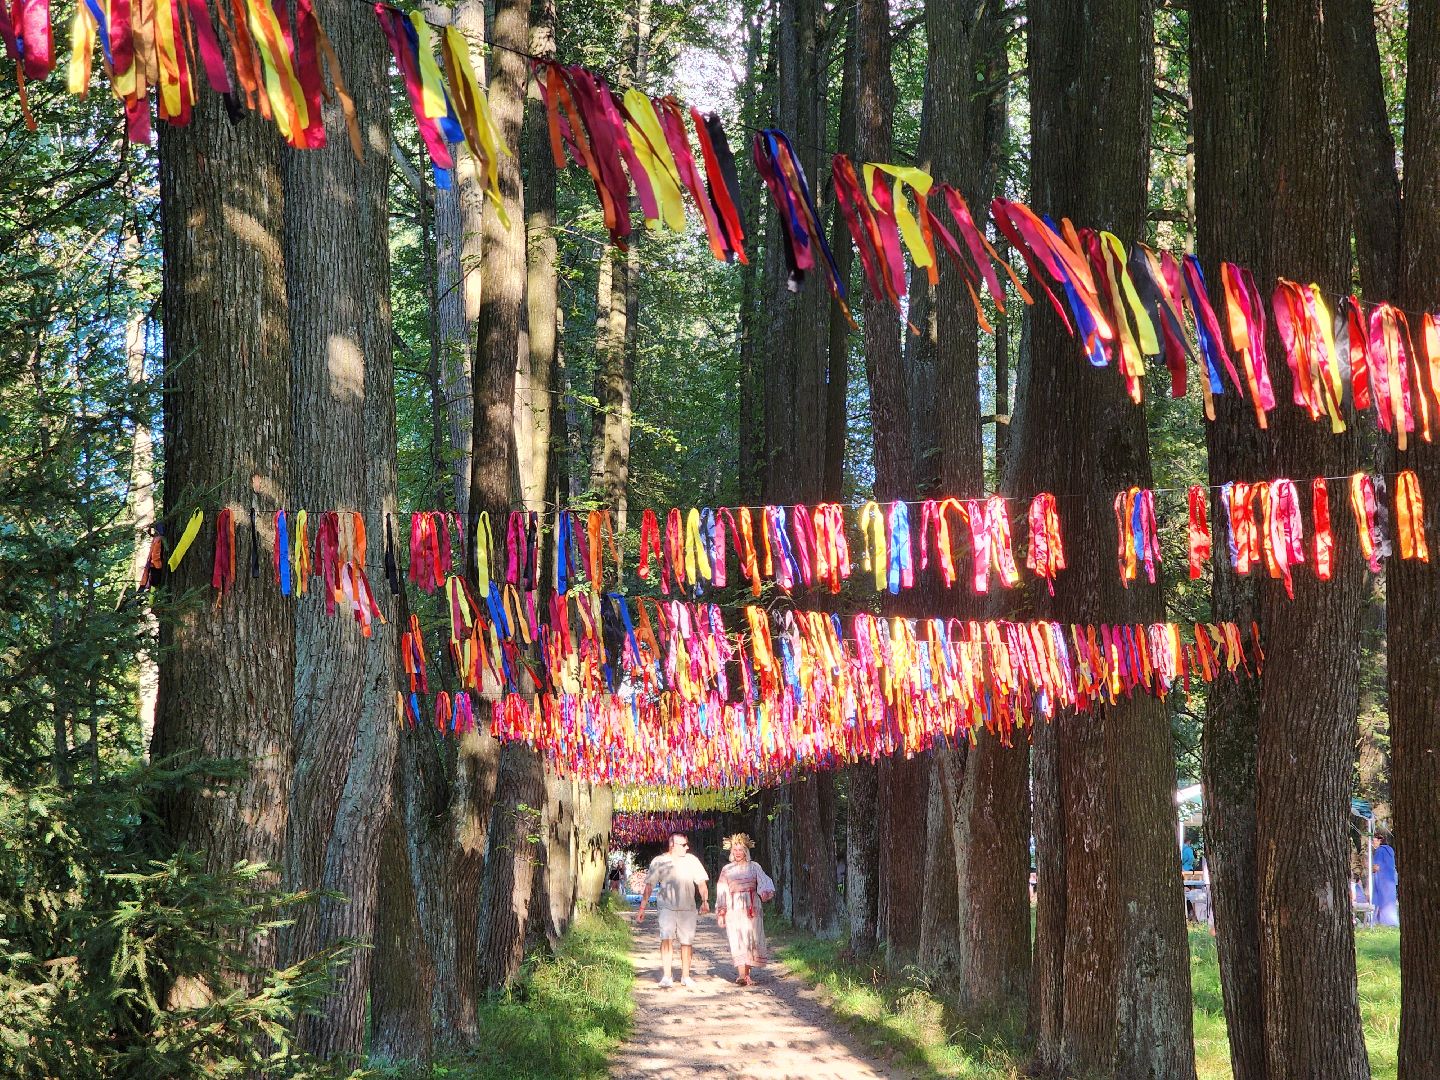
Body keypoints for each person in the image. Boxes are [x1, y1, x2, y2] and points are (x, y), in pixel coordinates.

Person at [636, 834, 710, 988]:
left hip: (688, 908)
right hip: (666, 907)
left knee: (687, 942)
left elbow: (701, 883)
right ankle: (667, 976)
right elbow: (649, 885)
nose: (687, 847)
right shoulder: (659, 861)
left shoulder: (692, 860)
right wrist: (642, 907)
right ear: (673, 845)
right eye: (684, 845)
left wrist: (704, 901)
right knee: (666, 938)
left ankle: (686, 976)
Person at [714, 832, 775, 987]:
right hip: (734, 906)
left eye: (740, 849)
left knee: (750, 939)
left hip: (752, 907)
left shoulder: (754, 867)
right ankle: (742, 974)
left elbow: (763, 881)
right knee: (737, 938)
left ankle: (747, 975)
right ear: (731, 852)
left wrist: (765, 892)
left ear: (746, 851)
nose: (738, 853)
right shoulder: (727, 869)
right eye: (735, 850)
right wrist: (721, 911)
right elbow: (722, 889)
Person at [1372, 833, 1399, 927]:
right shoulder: (1390, 850)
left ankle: (1383, 922)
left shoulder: (1380, 850)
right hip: (1391, 880)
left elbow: (1376, 867)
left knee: (1381, 901)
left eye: (1374, 840)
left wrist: (1369, 869)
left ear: (1380, 840)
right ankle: (1390, 922)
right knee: (1389, 900)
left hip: (1382, 880)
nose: (1372, 843)